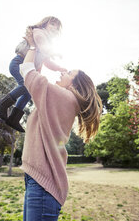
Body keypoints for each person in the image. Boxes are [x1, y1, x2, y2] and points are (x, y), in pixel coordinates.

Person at [19, 27, 103, 221]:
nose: (62, 73)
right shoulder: (62, 100)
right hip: (40, 183)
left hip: (43, 186)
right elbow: (35, 80)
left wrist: (32, 44)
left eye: (68, 73)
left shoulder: (63, 97)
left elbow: (27, 72)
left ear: (74, 84)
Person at [0, 16, 66, 132]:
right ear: (44, 24)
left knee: (28, 92)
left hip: (26, 68)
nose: (55, 28)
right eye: (52, 24)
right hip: (18, 63)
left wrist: (59, 68)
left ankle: (14, 118)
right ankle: (2, 104)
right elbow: (40, 41)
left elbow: (47, 62)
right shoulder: (38, 32)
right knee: (25, 85)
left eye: (57, 27)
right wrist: (52, 51)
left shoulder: (47, 43)